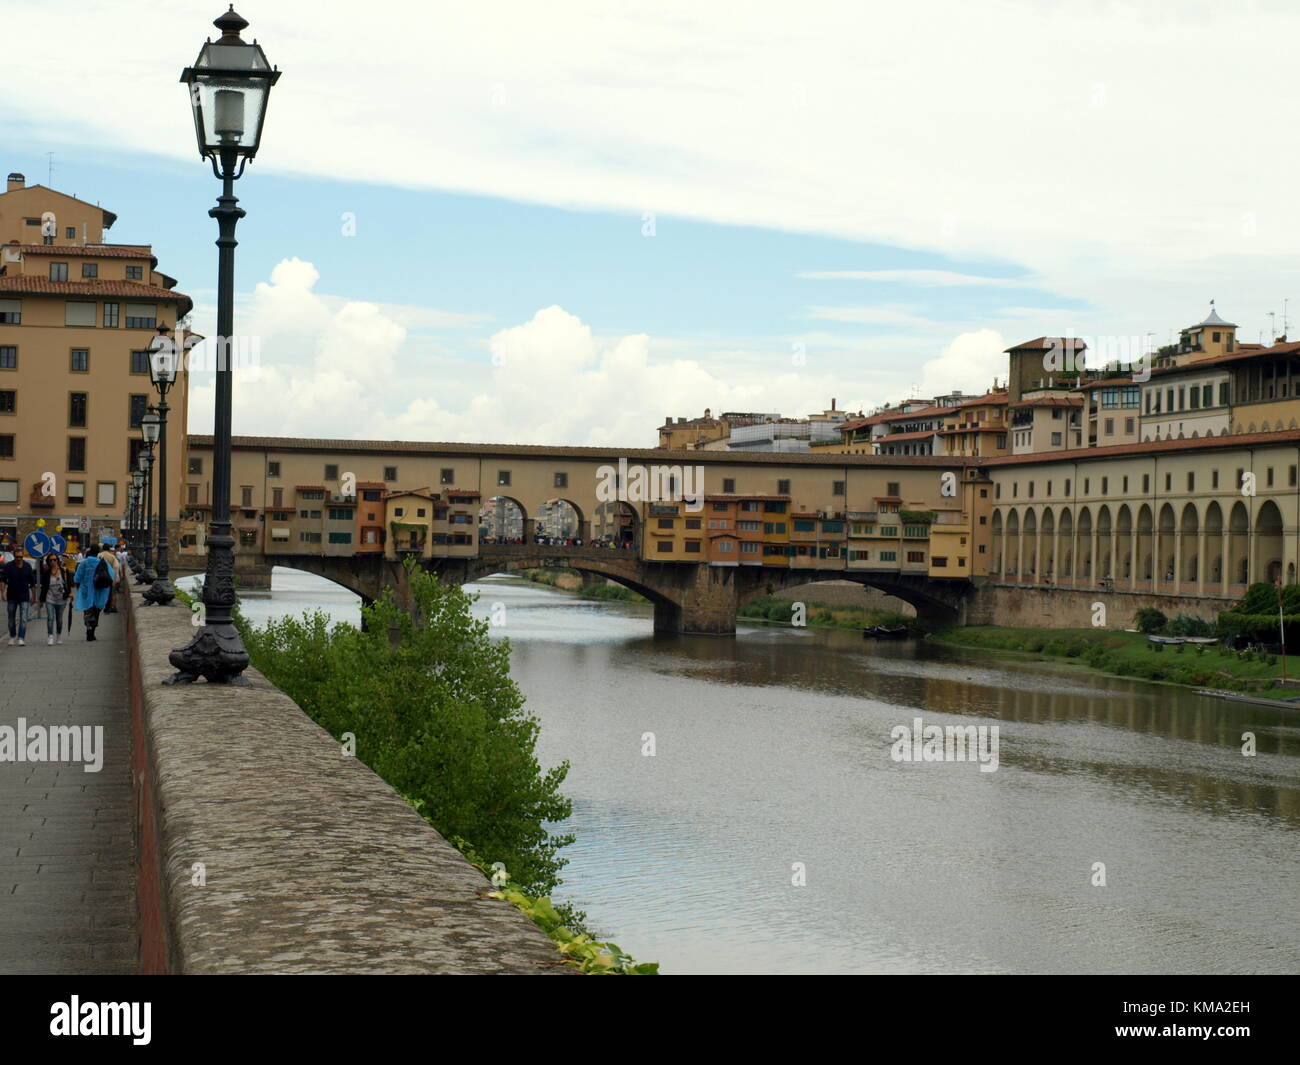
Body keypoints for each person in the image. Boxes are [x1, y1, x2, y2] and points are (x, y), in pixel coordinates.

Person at [71, 547, 112, 642]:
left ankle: (88, 627)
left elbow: (77, 578)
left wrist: (79, 587)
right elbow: (111, 576)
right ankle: (92, 632)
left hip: (86, 591)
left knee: (87, 612)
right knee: (96, 612)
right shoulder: (103, 563)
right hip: (99, 592)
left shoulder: (83, 563)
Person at [1, 546, 37, 646]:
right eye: (17, 557)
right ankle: (12, 636)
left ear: (23, 557)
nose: (19, 559)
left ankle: (21, 638)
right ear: (14, 557)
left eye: (20, 557)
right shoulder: (8, 566)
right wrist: (2, 593)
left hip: (24, 596)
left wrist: (33, 596)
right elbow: (3, 580)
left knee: (24, 618)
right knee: (11, 618)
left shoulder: (27, 566)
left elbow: (32, 583)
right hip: (11, 596)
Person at [45, 554, 69, 645]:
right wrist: (41, 600)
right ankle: (50, 636)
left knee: (59, 619)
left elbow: (68, 584)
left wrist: (70, 593)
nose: (53, 562)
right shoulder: (47, 573)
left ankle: (59, 635)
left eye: (54, 560)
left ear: (57, 560)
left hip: (61, 599)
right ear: (48, 562)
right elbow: (44, 587)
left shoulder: (64, 571)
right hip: (50, 598)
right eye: (50, 560)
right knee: (50, 618)